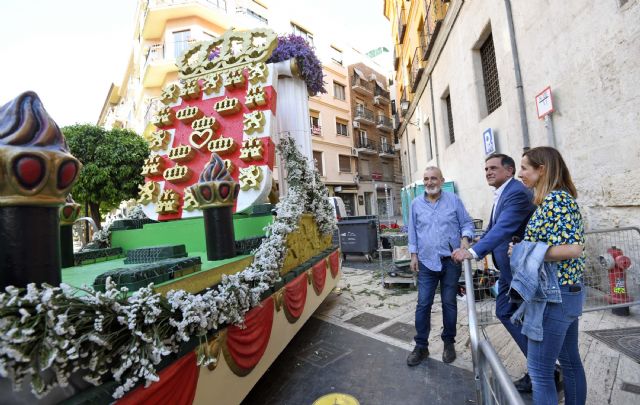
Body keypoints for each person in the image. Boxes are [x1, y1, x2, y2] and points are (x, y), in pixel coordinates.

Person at [452, 153, 537, 391]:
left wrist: (474, 252)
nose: (488, 172)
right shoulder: (504, 193)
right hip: (509, 272)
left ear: (509, 171)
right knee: (505, 312)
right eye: (486, 169)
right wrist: (473, 241)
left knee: (520, 318)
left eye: (493, 168)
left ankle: (543, 369)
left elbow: (503, 228)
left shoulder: (517, 193)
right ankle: (542, 366)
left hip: (520, 272)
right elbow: (492, 229)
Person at [517, 146, 586, 405]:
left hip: (556, 296)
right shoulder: (555, 199)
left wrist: (526, 251)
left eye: (524, 168)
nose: (520, 173)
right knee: (570, 363)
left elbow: (573, 248)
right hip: (564, 293)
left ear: (541, 169)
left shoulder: (557, 199)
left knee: (540, 372)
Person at [407, 166, 475, 366]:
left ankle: (449, 343)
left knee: (449, 303)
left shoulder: (454, 200)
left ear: (442, 180)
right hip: (427, 261)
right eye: (426, 179)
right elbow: (412, 231)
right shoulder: (416, 204)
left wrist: (464, 242)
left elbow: (467, 223)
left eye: (433, 178)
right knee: (423, 304)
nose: (429, 182)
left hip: (451, 261)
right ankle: (421, 346)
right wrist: (413, 255)